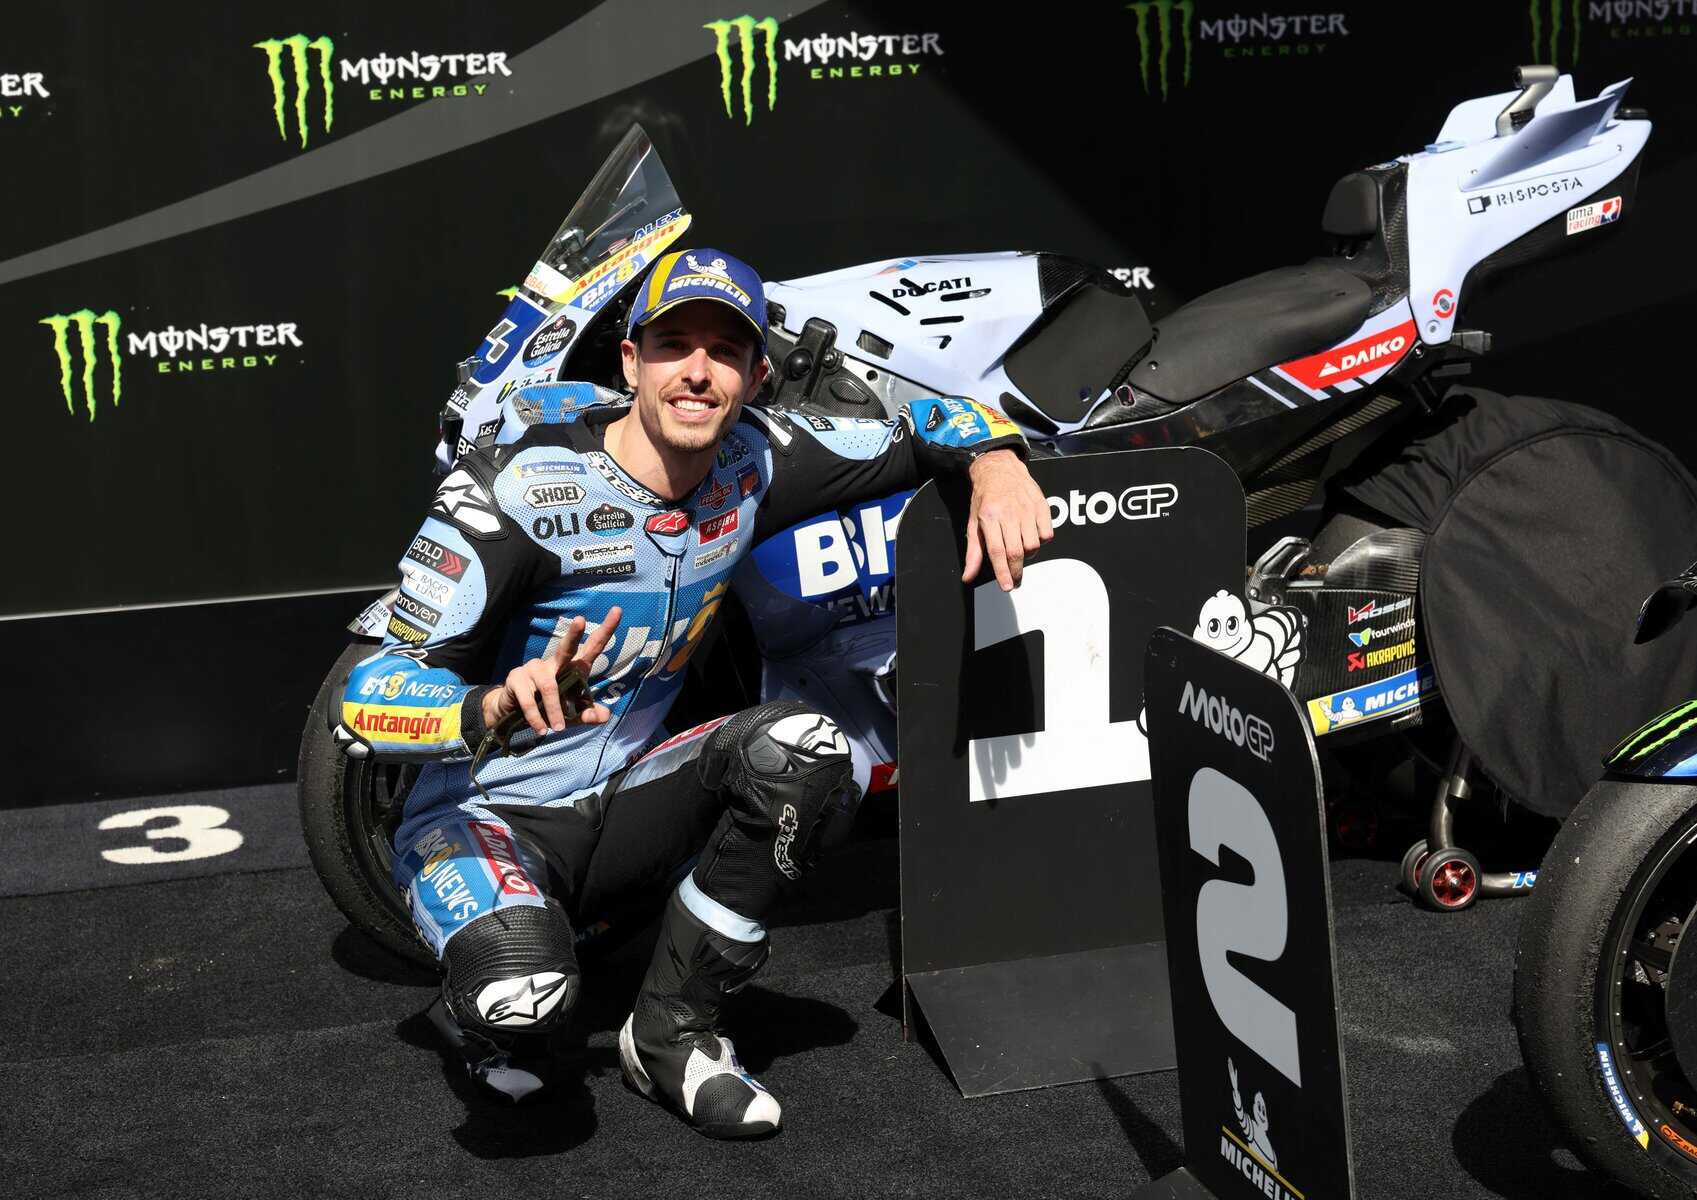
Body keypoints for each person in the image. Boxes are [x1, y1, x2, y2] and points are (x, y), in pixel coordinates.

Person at [336, 247, 1052, 1137]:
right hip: (486, 818)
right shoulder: (514, 490)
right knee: (523, 997)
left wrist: (996, 461)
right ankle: (490, 998)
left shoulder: (759, 457)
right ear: (630, 361)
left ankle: (672, 1034)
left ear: (756, 376)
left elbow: (930, 422)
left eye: (725, 351)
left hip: (627, 807)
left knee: (805, 750)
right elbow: (362, 698)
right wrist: (487, 708)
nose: (698, 372)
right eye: (673, 345)